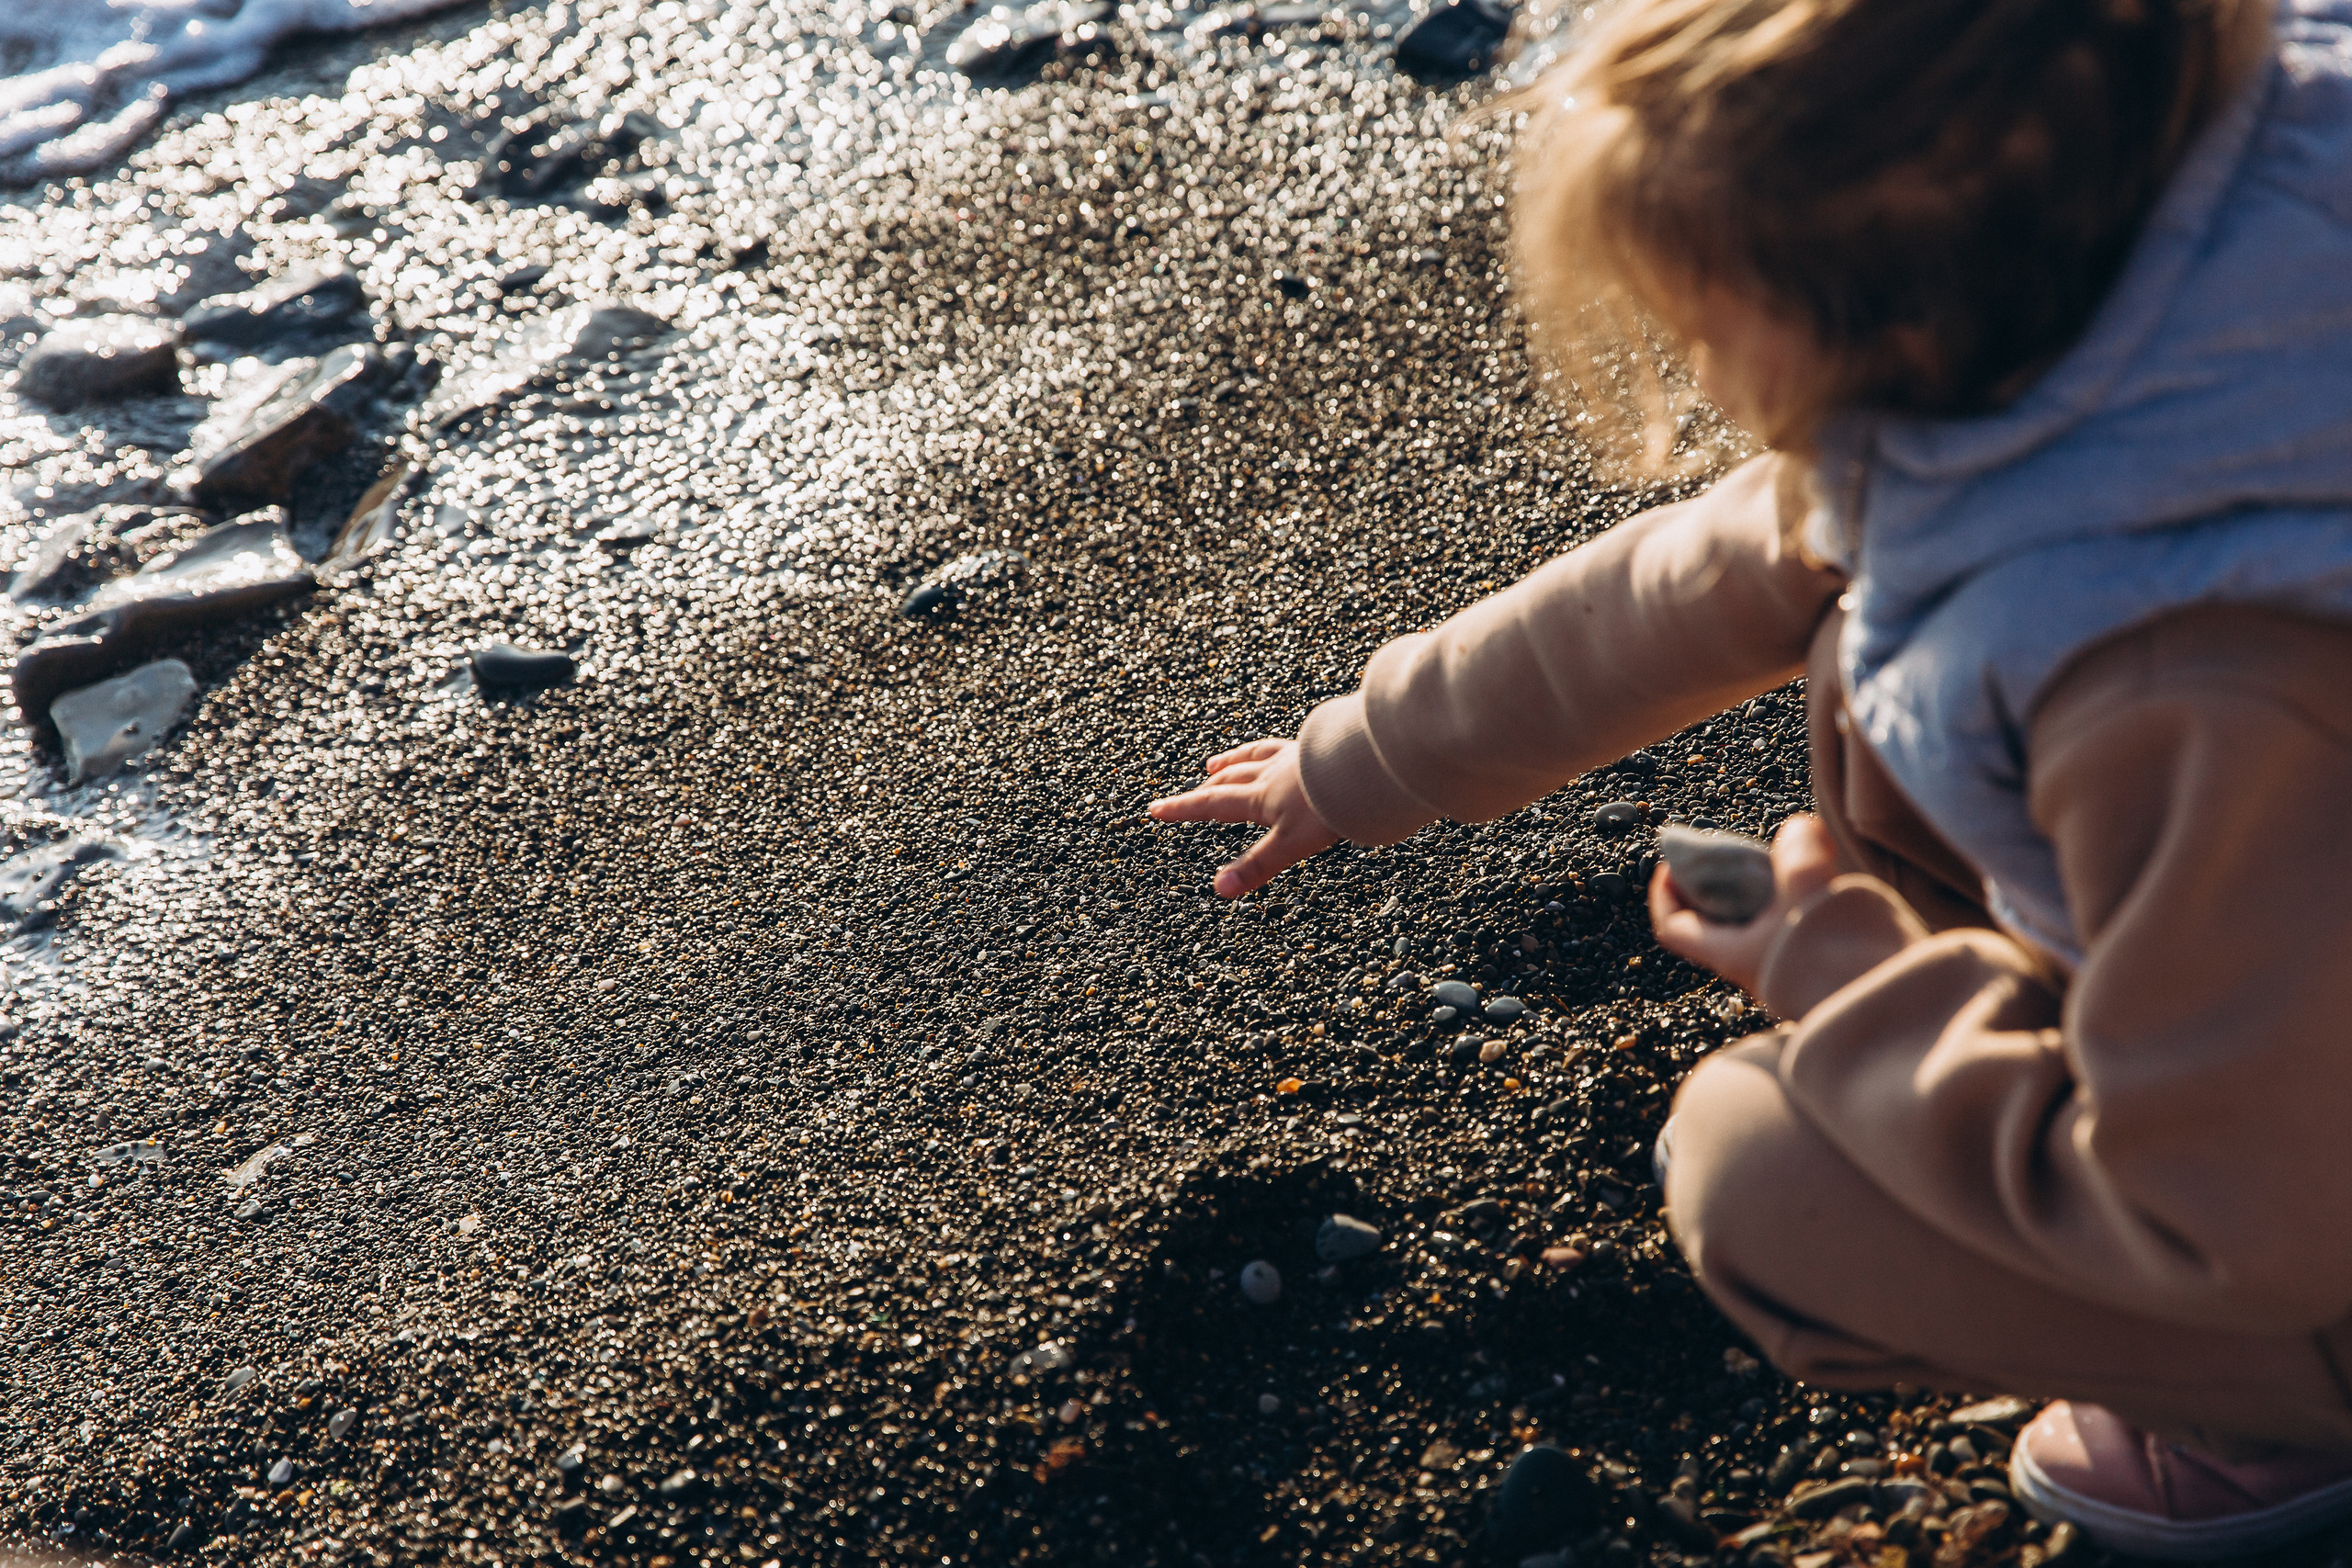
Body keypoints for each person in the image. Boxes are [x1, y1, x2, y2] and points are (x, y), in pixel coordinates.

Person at [1148, 0, 2352, 1556]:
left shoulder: (2171, 675)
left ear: (1896, 317)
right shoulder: (2194, 216)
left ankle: (2275, 1438)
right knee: (1868, 620)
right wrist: (1369, 751)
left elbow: (2254, 1219)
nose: (1701, 372)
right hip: (2277, 997)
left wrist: (1849, 983)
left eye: (1707, 324)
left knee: (1753, 1172)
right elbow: (1714, 565)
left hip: (2285, 1205)